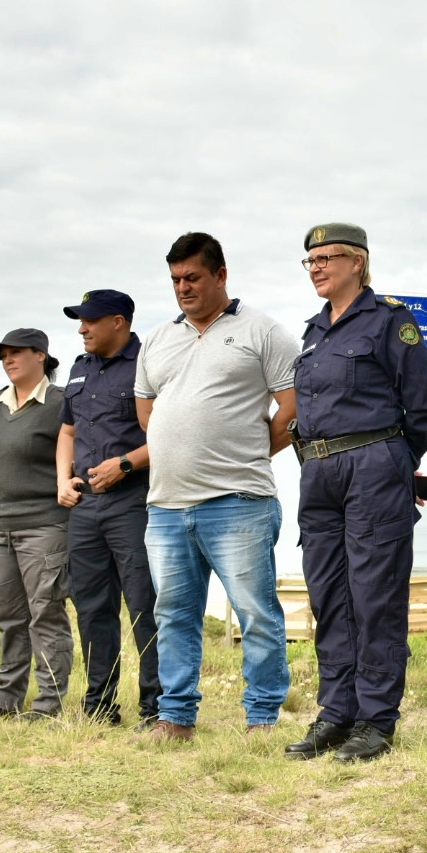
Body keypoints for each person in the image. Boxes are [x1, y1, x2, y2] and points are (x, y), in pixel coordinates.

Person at [284, 222, 427, 763]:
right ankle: (335, 713)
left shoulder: (390, 321)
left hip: (372, 466)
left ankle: (375, 720)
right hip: (318, 471)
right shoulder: (312, 331)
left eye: (328, 258)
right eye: (310, 261)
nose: (318, 268)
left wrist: (392, 462)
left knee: (374, 597)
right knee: (329, 595)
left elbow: (424, 408)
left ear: (358, 262)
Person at [134, 232, 300, 741]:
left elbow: (293, 408)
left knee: (255, 612)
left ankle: (263, 717)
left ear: (221, 275)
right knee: (174, 615)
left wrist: (248, 452)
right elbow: (146, 409)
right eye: (175, 280)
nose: (183, 288)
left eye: (193, 278)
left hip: (239, 502)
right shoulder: (159, 338)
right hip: (165, 505)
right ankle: (176, 717)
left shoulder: (263, 331)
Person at [56, 289, 161, 726]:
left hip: (132, 501)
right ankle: (100, 705)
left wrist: (123, 465)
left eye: (90, 320)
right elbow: (67, 431)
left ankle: (157, 708)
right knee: (93, 607)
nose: (82, 328)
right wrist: (62, 479)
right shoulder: (79, 369)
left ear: (118, 321)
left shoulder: (149, 363)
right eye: (79, 321)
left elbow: (169, 433)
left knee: (144, 606)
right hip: (84, 508)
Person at [0, 328, 75, 721]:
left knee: (45, 613)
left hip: (44, 525)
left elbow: (75, 451)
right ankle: (5, 702)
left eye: (16, 353)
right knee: (9, 617)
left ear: (41, 356)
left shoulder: (62, 402)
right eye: (3, 355)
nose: (7, 360)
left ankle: (48, 705)